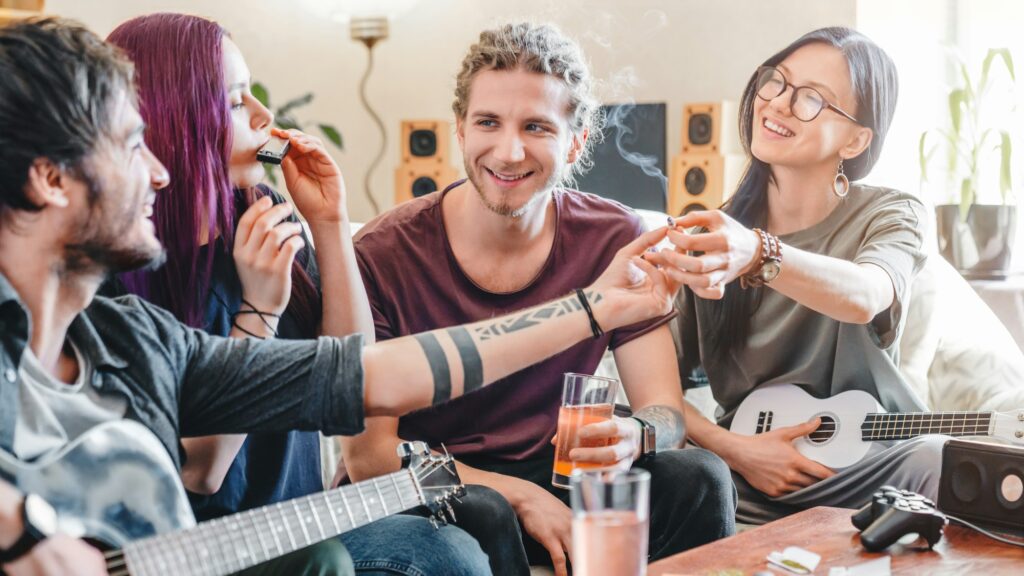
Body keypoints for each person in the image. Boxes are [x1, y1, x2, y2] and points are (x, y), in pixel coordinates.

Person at [0, 18, 677, 576]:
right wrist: (22, 533)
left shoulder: (132, 335)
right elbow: (205, 472)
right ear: (50, 179)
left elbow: (366, 375)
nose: (157, 170)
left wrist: (591, 309)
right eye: (131, 142)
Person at [344, 22, 736, 576]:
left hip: (560, 477)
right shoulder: (382, 254)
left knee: (699, 476)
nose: (509, 151)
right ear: (459, 129)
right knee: (487, 509)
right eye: (488, 123)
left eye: (536, 127)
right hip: (433, 485)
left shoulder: (611, 237)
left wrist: (637, 433)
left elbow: (667, 412)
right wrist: (519, 497)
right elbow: (369, 461)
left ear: (575, 141)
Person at [104, 13, 487, 575]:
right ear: (176, 119)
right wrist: (259, 310)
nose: (264, 116)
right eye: (236, 102)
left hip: (300, 518)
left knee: (452, 549)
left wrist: (330, 223)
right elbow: (202, 472)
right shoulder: (119, 272)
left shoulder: (263, 219)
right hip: (199, 546)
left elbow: (352, 387)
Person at [646, 27, 939, 524]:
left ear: (856, 138)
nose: (779, 104)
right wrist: (736, 450)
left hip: (872, 472)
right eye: (776, 82)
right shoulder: (716, 236)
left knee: (937, 459)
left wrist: (760, 254)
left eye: (811, 99)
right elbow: (655, 394)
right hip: (741, 478)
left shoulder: (892, 214)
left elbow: (867, 293)